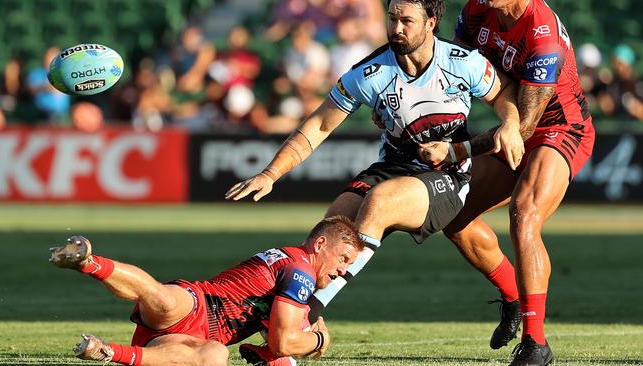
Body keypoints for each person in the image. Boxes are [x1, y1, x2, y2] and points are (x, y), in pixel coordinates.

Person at [226, 0, 524, 355]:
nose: (397, 28)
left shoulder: (462, 62)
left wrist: (509, 123)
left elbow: (505, 94)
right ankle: (292, 339)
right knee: (331, 228)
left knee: (381, 203)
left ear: (431, 22)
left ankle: (308, 312)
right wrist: (271, 173)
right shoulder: (370, 72)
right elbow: (320, 124)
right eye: (392, 18)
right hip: (394, 166)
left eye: (407, 21)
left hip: (449, 173)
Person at [420, 1, 596, 365]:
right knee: (452, 213)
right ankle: (514, 296)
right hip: (508, 129)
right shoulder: (476, 11)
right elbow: (449, 72)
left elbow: (525, 126)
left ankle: (536, 343)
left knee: (524, 213)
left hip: (560, 129)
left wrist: (455, 152)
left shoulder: (542, 33)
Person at [49, 216, 364, 366]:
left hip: (191, 330)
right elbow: (282, 343)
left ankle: (89, 266)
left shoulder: (289, 261)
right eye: (343, 259)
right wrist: (319, 339)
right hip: (201, 307)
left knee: (167, 303)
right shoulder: (301, 271)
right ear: (321, 244)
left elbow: (272, 345)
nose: (343, 270)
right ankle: (87, 264)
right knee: (173, 306)